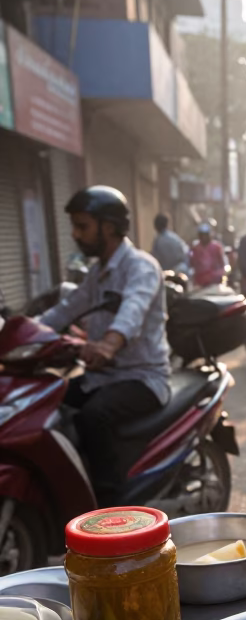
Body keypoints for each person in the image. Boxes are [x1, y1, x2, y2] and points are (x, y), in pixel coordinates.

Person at [40, 186, 170, 505]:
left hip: (143, 378)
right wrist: (23, 333)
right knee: (47, 397)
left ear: (108, 227)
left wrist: (109, 344)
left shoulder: (141, 266)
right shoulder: (96, 274)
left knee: (92, 416)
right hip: (104, 377)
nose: (75, 234)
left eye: (82, 226)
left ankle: (110, 508)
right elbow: (65, 309)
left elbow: (132, 310)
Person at [190, 222, 226, 288]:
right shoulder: (195, 248)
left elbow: (222, 265)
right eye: (202, 235)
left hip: (214, 282)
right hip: (199, 282)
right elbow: (192, 264)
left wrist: (217, 275)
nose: (204, 237)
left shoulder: (217, 247)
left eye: (205, 235)